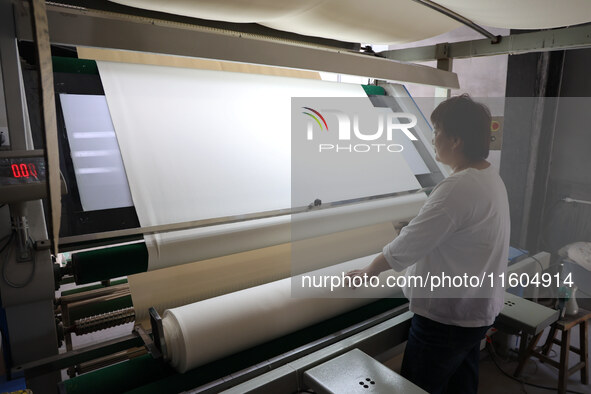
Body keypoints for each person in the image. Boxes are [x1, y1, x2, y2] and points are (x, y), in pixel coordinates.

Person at [347, 94, 510, 393]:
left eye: (436, 132)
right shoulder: (488, 176)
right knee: (461, 383)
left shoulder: (457, 187)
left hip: (446, 320)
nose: (432, 139)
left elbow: (409, 245)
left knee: (419, 387)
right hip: (475, 313)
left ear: (456, 140)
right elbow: (455, 228)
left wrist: (370, 270)